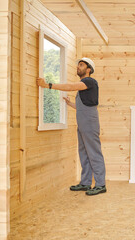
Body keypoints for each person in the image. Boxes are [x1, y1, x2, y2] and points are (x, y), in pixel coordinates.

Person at [37, 57, 106, 196]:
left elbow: (70, 86)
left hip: (89, 122)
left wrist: (48, 85)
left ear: (88, 69)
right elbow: (83, 107)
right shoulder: (84, 86)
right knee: (84, 153)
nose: (78, 67)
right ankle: (86, 183)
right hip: (83, 122)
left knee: (93, 152)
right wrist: (70, 104)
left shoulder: (89, 81)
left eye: (81, 65)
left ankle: (100, 184)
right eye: (78, 65)